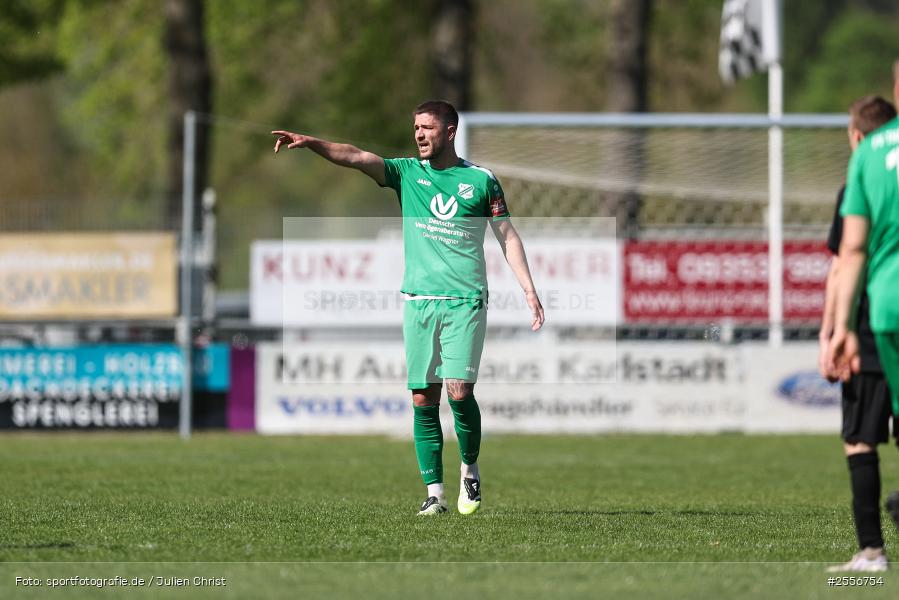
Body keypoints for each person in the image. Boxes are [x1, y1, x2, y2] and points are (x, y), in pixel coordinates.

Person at [272, 100, 545, 516]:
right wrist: (312, 143)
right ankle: (434, 495)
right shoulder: (405, 173)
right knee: (423, 398)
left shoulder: (481, 180)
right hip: (418, 301)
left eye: (427, 127)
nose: (418, 134)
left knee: (459, 392)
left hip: (465, 300)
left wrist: (528, 289)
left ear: (449, 132)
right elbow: (356, 156)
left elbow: (507, 235)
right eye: (416, 127)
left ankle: (469, 469)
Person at [819, 95, 897, 573]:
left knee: (860, 438)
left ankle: (871, 554)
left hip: (870, 324)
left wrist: (831, 330)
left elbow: (843, 260)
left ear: (856, 137)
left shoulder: (861, 173)